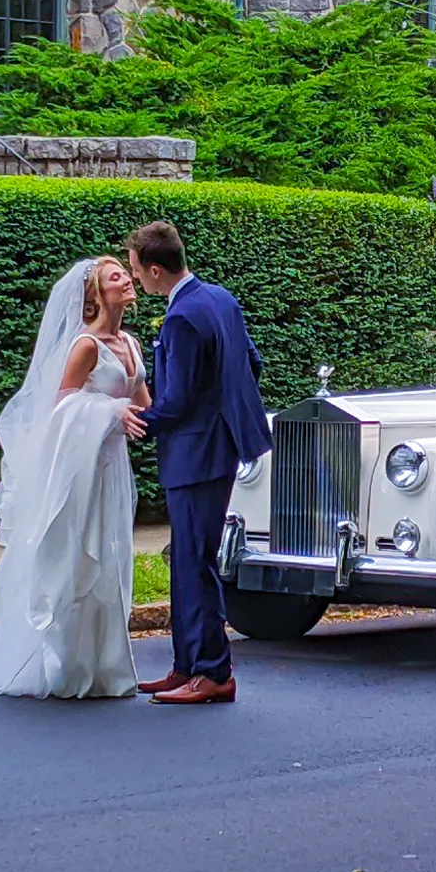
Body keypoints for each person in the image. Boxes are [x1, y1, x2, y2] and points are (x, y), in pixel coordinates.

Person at [0, 258, 150, 703]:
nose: (126, 279)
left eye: (125, 273)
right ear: (95, 296)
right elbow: (61, 404)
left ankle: (104, 667)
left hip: (112, 468)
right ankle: (62, 663)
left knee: (113, 553)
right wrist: (109, 411)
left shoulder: (131, 343)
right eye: (114, 277)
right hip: (80, 469)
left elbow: (145, 402)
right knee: (77, 555)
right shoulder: (86, 346)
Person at [126, 221, 271, 705]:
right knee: (189, 559)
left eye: (137, 272)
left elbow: (178, 400)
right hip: (219, 447)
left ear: (153, 269)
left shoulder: (182, 318)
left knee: (194, 561)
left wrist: (135, 424)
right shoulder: (221, 299)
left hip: (196, 453)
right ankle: (186, 664)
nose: (137, 283)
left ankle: (213, 671)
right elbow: (251, 363)